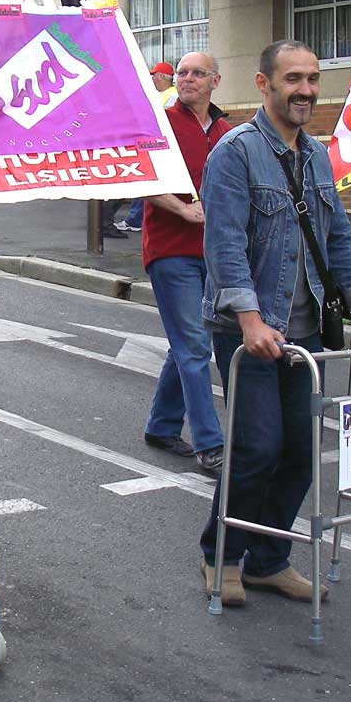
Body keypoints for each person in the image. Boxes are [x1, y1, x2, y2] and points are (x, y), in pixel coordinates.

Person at [198, 40, 351, 605]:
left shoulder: (316, 155)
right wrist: (251, 319)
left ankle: (268, 559)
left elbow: (336, 239)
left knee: (301, 453)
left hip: (306, 329)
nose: (306, 89)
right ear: (264, 84)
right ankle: (222, 556)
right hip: (249, 330)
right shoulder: (234, 153)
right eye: (294, 79)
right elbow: (225, 243)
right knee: (257, 447)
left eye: (313, 78)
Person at [141, 52, 228, 473]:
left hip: (213, 254)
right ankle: (210, 444)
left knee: (189, 343)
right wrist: (181, 209)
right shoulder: (163, 123)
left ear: (216, 81)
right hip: (170, 250)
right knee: (194, 344)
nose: (188, 79)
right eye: (182, 73)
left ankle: (161, 425)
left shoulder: (228, 131)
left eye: (198, 73)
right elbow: (140, 178)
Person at [115, 62, 180, 234]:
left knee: (146, 181)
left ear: (160, 76)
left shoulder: (172, 96)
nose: (151, 78)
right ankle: (136, 218)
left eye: (153, 75)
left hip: (159, 146)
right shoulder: (164, 95)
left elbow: (162, 123)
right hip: (153, 145)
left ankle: (135, 219)